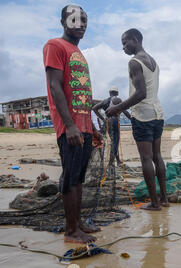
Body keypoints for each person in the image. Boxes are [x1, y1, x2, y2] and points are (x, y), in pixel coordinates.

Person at [43, 4, 102, 243]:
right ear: (63, 22)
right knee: (70, 177)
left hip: (85, 125)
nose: (81, 24)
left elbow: (83, 95)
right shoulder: (54, 46)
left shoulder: (80, 53)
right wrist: (69, 125)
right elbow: (55, 86)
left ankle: (78, 224)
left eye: (84, 20)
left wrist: (93, 126)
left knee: (79, 177)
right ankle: (70, 231)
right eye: (75, 19)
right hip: (70, 127)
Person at [106, 28, 169, 210]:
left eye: (125, 43)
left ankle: (155, 204)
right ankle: (164, 199)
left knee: (146, 159)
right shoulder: (153, 61)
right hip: (158, 114)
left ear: (135, 39)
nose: (124, 47)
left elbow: (141, 93)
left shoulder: (134, 62)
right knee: (157, 156)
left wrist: (117, 107)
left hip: (143, 116)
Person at [93, 86, 131, 166]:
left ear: (110, 92)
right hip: (114, 121)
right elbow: (124, 111)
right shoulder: (117, 99)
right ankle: (111, 163)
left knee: (113, 142)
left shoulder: (104, 101)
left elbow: (94, 108)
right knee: (115, 143)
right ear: (117, 93)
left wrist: (103, 119)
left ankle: (118, 161)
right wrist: (133, 120)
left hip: (107, 122)